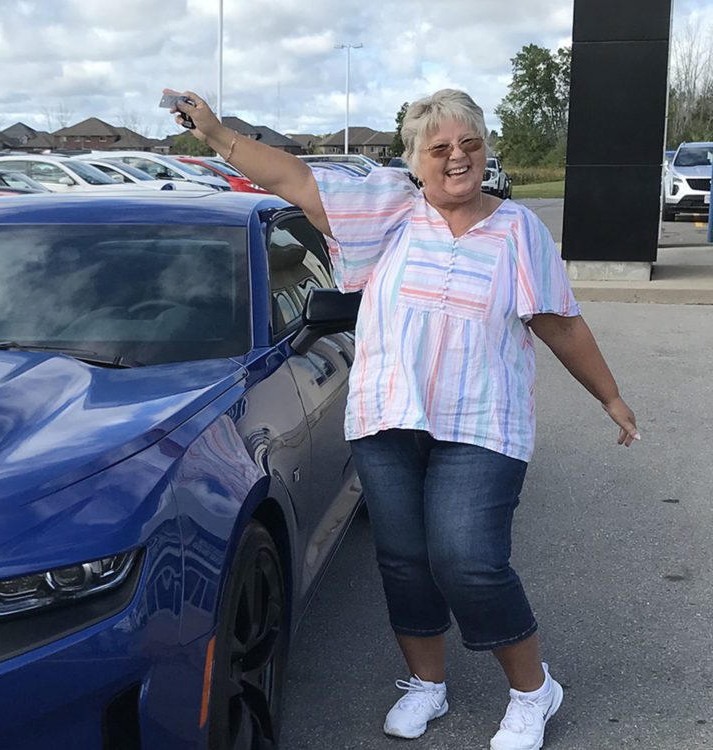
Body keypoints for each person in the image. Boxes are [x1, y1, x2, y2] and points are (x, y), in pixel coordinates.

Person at [164, 87, 640, 749]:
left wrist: (609, 396)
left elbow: (558, 321)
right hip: (389, 417)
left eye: (469, 145)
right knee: (405, 561)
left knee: (469, 559)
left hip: (482, 422)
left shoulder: (517, 230)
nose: (457, 158)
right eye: (440, 148)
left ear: (484, 151)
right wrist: (217, 133)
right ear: (414, 160)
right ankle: (427, 685)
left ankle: (534, 691)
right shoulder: (387, 211)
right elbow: (295, 179)